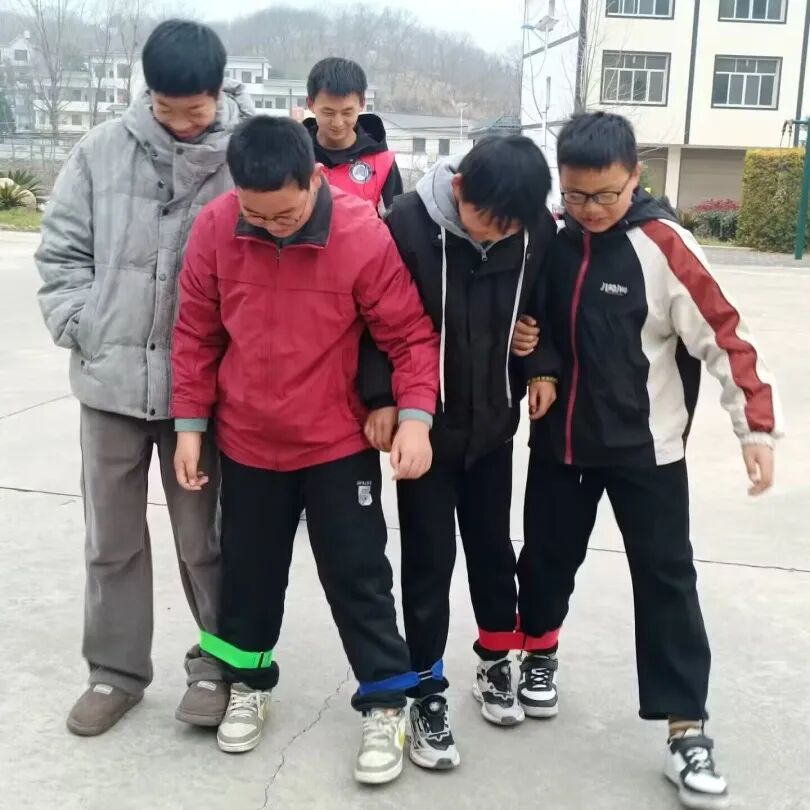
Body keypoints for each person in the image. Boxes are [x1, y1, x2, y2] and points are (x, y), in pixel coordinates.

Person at [511, 111, 783, 810]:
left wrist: (754, 428)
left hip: (647, 451)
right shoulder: (552, 238)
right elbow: (530, 320)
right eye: (576, 194)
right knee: (543, 561)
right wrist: (534, 356)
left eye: (606, 194)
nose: (590, 209)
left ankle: (686, 729)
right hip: (561, 446)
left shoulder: (664, 245)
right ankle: (538, 652)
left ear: (636, 176)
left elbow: (725, 335)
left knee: (667, 583)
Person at [170, 116, 440, 784]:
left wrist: (414, 419)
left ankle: (385, 702)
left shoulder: (359, 233)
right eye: (256, 214)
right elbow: (196, 333)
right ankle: (248, 683)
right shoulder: (216, 227)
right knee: (248, 573)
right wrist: (190, 426)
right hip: (248, 438)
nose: (270, 227)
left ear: (315, 179)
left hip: (334, 441)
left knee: (358, 573)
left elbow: (409, 335)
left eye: (285, 214)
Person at [35, 19, 253, 737]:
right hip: (112, 385)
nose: (182, 122)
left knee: (206, 537)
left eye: (196, 110)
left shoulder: (246, 158)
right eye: (166, 108)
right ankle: (115, 671)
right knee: (112, 540)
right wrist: (84, 324)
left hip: (207, 393)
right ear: (147, 92)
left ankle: (221, 663)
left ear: (219, 93)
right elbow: (61, 253)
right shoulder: (100, 151)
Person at [358, 136, 557, 770]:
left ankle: (496, 659)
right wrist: (379, 397)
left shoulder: (534, 231)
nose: (496, 236)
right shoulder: (406, 224)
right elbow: (372, 320)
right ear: (460, 188)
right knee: (428, 558)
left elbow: (545, 308)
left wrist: (540, 360)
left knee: (494, 550)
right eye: (486, 222)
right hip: (426, 431)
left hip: (494, 426)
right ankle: (425, 686)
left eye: (510, 228)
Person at [304, 56, 402, 215]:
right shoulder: (293, 157)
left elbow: (395, 222)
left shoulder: (382, 163)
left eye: (347, 112)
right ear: (310, 104)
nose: (337, 123)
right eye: (328, 112)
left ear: (362, 103)